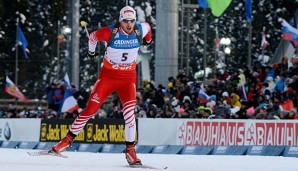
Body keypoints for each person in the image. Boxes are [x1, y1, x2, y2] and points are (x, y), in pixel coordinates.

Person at [51, 6, 152, 166]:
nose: (129, 24)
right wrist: (92, 52)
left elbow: (148, 27)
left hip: (128, 78)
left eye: (132, 21)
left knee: (130, 116)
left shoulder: (140, 29)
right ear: (120, 20)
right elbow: (92, 37)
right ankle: (66, 141)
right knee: (90, 110)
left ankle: (131, 152)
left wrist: (148, 40)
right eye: (126, 21)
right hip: (108, 77)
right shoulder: (109, 32)